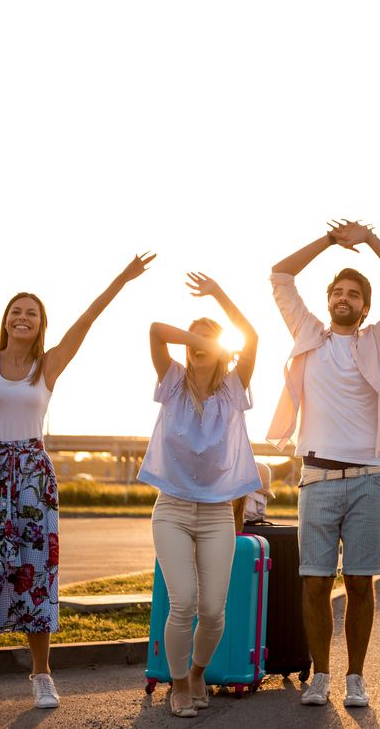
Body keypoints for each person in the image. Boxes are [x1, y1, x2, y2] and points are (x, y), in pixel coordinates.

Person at [0, 252, 154, 712]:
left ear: (41, 325)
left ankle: (42, 675)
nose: (23, 318)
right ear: (5, 321)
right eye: (16, 311)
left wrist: (121, 277)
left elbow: (89, 318)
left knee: (35, 574)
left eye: (32, 313)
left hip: (31, 483)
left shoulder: (49, 366)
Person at [266, 219, 380, 708]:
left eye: (354, 294)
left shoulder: (377, 340)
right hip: (317, 479)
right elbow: (280, 276)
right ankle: (321, 676)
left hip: (368, 481)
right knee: (314, 581)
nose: (345, 299)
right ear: (328, 298)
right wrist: (330, 240)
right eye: (338, 292)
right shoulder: (308, 334)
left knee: (358, 581)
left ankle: (356, 677)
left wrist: (370, 240)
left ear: (365, 306)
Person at [138, 272, 261, 718]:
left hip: (215, 514)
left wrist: (219, 296)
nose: (196, 343)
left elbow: (252, 336)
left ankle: (197, 673)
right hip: (170, 509)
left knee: (211, 610)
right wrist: (196, 335)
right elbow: (155, 331)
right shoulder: (171, 379)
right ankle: (177, 685)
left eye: (208, 338)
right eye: (192, 338)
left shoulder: (232, 388)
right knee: (183, 602)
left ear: (223, 350)